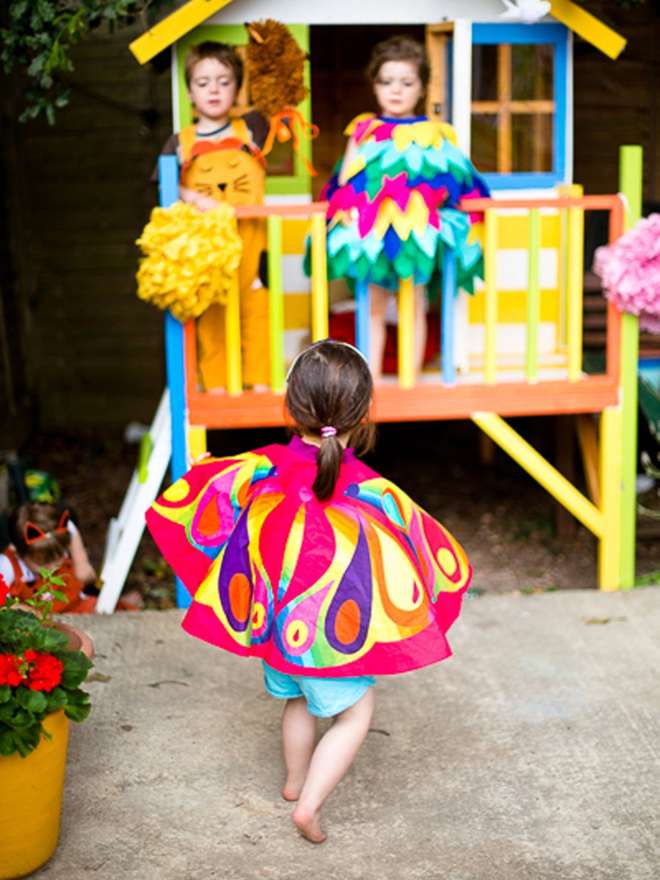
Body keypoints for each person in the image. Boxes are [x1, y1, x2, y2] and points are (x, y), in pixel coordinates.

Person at [146, 339, 472, 843]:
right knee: (354, 711)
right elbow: (420, 542)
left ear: (289, 408)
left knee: (296, 699)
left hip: (277, 630)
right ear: (363, 415)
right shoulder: (369, 489)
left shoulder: (263, 467)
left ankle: (296, 782)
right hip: (330, 641)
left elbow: (209, 493)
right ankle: (310, 806)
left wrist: (205, 470)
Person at [322, 35, 489, 380]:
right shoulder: (364, 129)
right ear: (375, 85)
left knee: (414, 305)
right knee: (373, 307)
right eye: (386, 82)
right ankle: (368, 386)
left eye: (406, 82)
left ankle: (409, 381)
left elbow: (454, 182)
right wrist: (348, 207)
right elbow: (345, 183)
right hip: (372, 234)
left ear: (422, 88)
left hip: (416, 235)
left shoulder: (435, 132)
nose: (395, 91)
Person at [156, 41, 270, 391]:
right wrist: (189, 195)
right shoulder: (178, 142)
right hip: (207, 251)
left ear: (237, 88)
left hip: (253, 242)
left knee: (257, 311)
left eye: (224, 80)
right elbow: (162, 188)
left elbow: (280, 97)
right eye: (203, 83)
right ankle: (218, 385)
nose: (214, 89)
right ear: (189, 92)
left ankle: (261, 384)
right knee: (211, 318)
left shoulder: (252, 127)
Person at [0, 502, 97, 613]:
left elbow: (70, 527)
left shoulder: (58, 535)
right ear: (16, 552)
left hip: (79, 604)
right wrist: (24, 610)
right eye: (42, 564)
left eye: (60, 556)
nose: (52, 567)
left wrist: (81, 562)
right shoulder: (6, 566)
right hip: (40, 619)